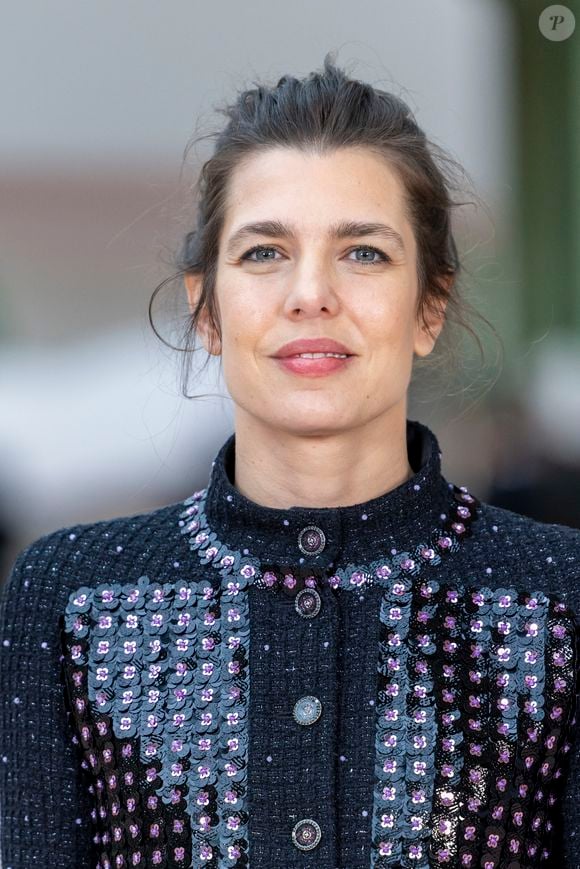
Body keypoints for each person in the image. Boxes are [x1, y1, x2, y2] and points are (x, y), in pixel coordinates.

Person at [1, 53, 580, 869]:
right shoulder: (73, 598)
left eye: (365, 253)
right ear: (206, 310)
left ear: (430, 307)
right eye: (264, 252)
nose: (311, 293)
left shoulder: (557, 600)